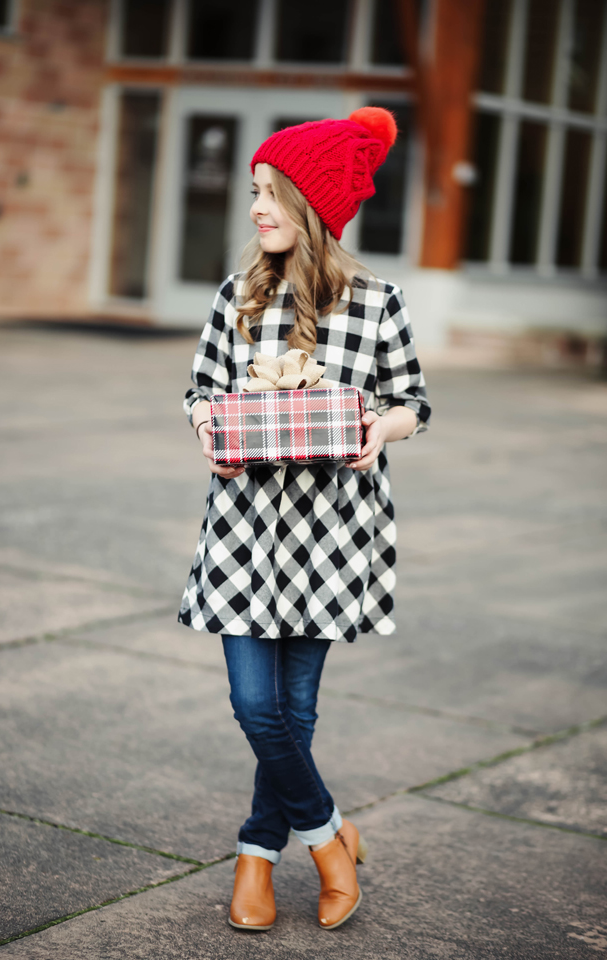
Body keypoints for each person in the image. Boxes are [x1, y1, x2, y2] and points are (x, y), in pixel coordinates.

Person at [180, 108, 431, 932]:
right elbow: (199, 397)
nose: (256, 207)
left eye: (271, 192)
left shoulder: (377, 302)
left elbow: (414, 405)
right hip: (245, 533)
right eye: (253, 190)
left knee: (295, 711)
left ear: (311, 204)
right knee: (257, 707)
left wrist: (376, 432)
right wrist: (210, 434)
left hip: (332, 535)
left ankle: (257, 856)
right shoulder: (236, 297)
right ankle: (328, 838)